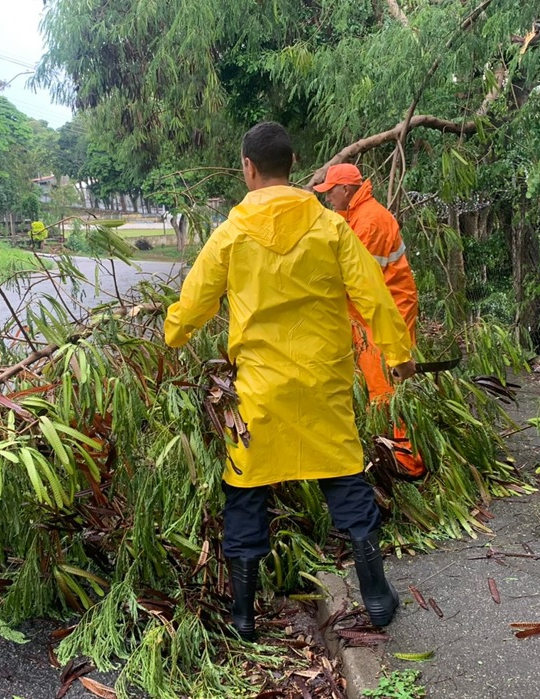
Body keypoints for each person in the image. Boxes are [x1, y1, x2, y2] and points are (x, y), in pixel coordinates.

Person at [164, 122, 416, 641]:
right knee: (347, 482)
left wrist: (172, 335)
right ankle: (375, 596)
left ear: (247, 167)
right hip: (322, 385)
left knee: (246, 494)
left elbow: (194, 302)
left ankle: (243, 615)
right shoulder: (331, 228)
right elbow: (373, 294)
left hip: (258, 393)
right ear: (294, 165)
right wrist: (398, 354)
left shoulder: (230, 233)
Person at [314, 164, 425, 480]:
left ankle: (408, 462)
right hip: (373, 315)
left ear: (346, 190)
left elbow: (359, 281)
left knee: (385, 390)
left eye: (330, 191)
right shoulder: (356, 215)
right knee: (373, 386)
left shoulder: (369, 222)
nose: (327, 198)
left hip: (386, 316)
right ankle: (385, 446)